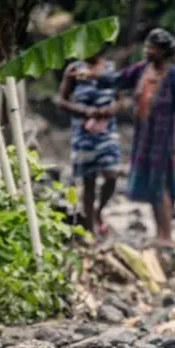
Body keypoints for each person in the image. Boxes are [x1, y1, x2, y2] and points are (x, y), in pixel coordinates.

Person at [101, 28, 175, 249]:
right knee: (151, 185)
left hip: (164, 138)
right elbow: (117, 80)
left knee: (162, 185)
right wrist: (92, 75)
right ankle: (158, 233)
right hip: (144, 137)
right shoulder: (141, 70)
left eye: (152, 48)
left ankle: (167, 235)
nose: (147, 50)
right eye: (147, 46)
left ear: (163, 51)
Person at [57, 52, 123, 238]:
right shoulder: (74, 70)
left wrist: (110, 110)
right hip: (83, 132)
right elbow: (61, 100)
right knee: (89, 180)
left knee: (112, 173)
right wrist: (87, 111)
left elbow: (120, 98)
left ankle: (99, 210)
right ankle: (90, 227)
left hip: (107, 130)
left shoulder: (110, 69)